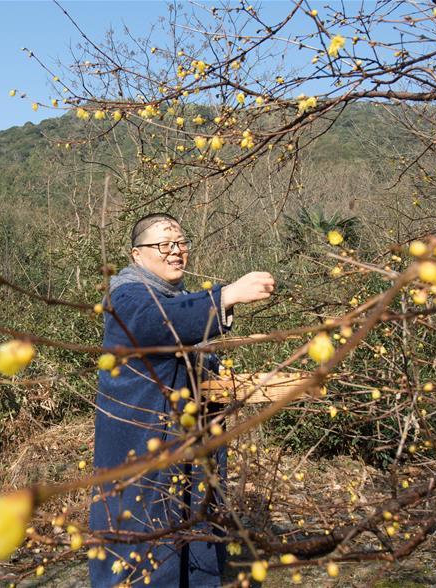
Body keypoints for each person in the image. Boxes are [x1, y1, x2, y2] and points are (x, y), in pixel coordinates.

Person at [89, 213, 275, 588]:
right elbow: (157, 322)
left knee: (194, 535)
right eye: (164, 244)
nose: (176, 252)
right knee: (145, 545)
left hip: (185, 447)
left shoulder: (178, 298)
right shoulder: (126, 296)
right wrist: (225, 295)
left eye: (180, 243)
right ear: (137, 254)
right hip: (143, 447)